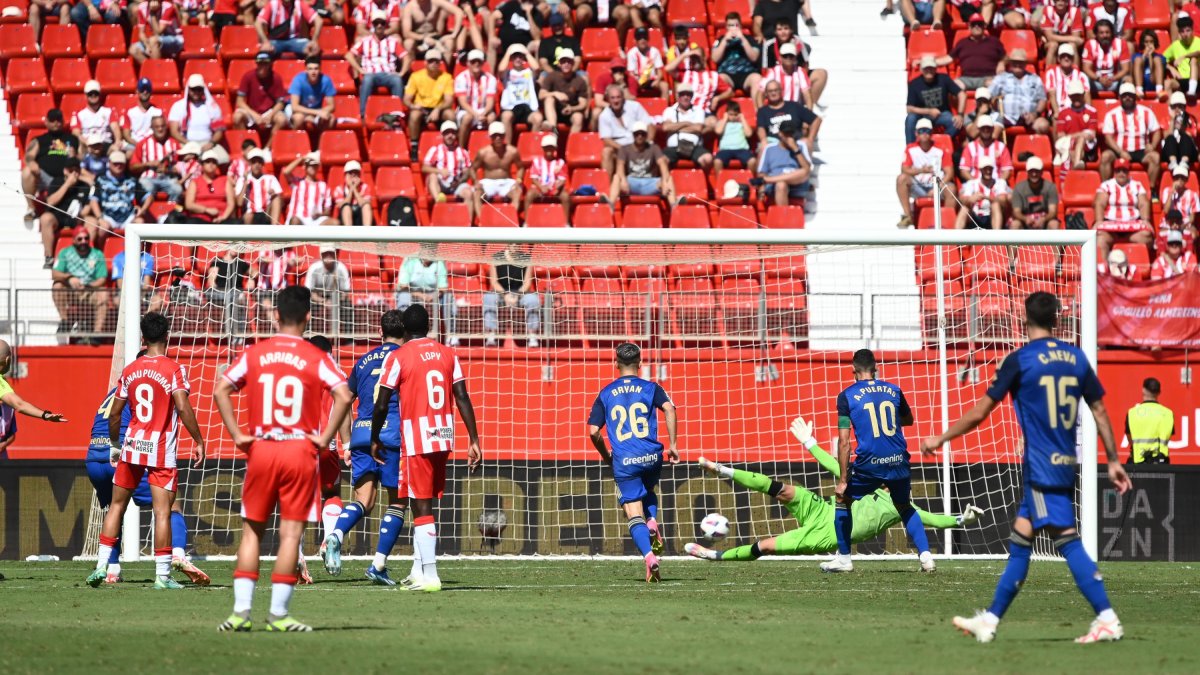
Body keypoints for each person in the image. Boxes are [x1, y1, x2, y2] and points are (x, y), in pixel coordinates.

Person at [922, 292, 1132, 644]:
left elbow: (980, 412)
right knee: (1021, 539)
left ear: (1024, 319)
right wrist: (1112, 459)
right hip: (1065, 462)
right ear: (1058, 321)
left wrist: (941, 438)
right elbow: (1098, 410)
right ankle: (989, 620)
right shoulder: (1076, 358)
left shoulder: (1020, 360)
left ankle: (1108, 617)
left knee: (1066, 540)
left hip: (1039, 466)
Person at [215, 285, 353, 631]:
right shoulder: (315, 357)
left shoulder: (256, 353)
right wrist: (324, 438)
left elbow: (221, 388)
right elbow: (344, 394)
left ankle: (240, 613)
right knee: (290, 535)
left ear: (275, 315)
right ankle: (278, 614)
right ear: (308, 317)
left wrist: (237, 435)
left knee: (251, 533)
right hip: (299, 451)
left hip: (262, 448)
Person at [686, 415, 982, 562]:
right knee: (781, 489)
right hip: (822, 508)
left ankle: (715, 556)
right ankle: (721, 468)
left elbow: (931, 519)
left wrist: (959, 520)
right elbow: (835, 466)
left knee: (765, 546)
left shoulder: (902, 506)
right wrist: (809, 442)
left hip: (826, 535)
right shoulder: (870, 481)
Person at [85, 313, 206, 590]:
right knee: (163, 512)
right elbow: (183, 407)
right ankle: (163, 576)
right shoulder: (173, 369)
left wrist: (116, 443)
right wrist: (198, 439)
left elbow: (114, 414)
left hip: (131, 448)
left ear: (143, 337)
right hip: (160, 451)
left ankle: (103, 566)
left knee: (116, 506)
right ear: (166, 336)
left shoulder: (129, 371)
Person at [371, 303, 482, 592]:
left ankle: (430, 576)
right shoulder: (448, 354)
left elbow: (382, 402)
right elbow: (462, 397)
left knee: (420, 505)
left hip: (417, 437)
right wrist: (474, 439)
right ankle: (420, 571)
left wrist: (374, 437)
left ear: (405, 329)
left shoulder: (400, 356)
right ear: (429, 327)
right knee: (427, 502)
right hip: (444, 435)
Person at [820, 349, 932, 573]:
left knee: (842, 499)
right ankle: (926, 557)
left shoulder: (847, 396)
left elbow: (844, 442)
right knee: (903, 505)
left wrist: (843, 479)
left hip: (871, 463)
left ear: (853, 371)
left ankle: (844, 559)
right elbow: (908, 420)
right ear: (876, 369)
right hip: (899, 460)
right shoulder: (894, 390)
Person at [323, 311, 407, 584]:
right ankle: (378, 565)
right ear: (403, 334)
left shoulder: (362, 361)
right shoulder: (404, 358)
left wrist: (346, 442)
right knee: (397, 502)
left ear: (380, 333)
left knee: (364, 500)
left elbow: (343, 401)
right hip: (391, 434)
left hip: (360, 433)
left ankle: (334, 535)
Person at [586, 342, 678, 582]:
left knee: (631, 510)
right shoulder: (652, 387)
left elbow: (593, 431)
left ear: (616, 363)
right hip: (652, 456)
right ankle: (653, 521)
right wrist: (674, 444)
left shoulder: (605, 393)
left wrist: (607, 456)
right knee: (647, 490)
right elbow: (669, 409)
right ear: (640, 362)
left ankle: (649, 557)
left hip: (625, 460)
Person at [51, 224, 110, 341]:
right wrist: (69, 277)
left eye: (86, 238)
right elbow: (55, 274)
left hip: (90, 290)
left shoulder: (97, 254)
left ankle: (97, 334)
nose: (83, 241)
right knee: (57, 285)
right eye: (80, 239)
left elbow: (102, 279)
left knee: (104, 293)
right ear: (73, 240)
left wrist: (88, 286)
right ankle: (65, 322)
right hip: (70, 291)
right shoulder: (65, 253)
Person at [23, 109, 81, 223]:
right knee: (27, 171)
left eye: (58, 120)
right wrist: (31, 163)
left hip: (66, 177)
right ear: (46, 122)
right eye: (52, 120)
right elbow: (28, 156)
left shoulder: (72, 139)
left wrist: (74, 155)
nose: (56, 123)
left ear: (63, 122)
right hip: (45, 178)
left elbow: (81, 158)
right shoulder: (39, 140)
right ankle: (31, 207)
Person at [348, 11, 410, 118]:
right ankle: (363, 113)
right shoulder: (365, 41)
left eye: (382, 23)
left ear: (385, 25)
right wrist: (360, 69)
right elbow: (349, 55)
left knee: (397, 80)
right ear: (373, 25)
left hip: (388, 73)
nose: (379, 25)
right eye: (376, 23)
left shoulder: (392, 41)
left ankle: (396, 114)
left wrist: (402, 73)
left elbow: (406, 57)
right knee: (367, 80)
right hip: (371, 73)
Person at [896, 118, 955, 228]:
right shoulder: (910, 149)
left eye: (927, 131)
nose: (924, 134)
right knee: (901, 179)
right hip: (919, 186)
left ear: (931, 133)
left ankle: (947, 223)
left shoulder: (941, 149)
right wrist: (921, 170)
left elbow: (949, 172)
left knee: (951, 189)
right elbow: (904, 169)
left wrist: (938, 188)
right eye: (921, 131)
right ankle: (908, 216)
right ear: (916, 133)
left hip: (937, 185)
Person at [84, 151, 147, 251]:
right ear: (109, 163)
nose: (118, 166)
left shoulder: (132, 180)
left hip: (128, 217)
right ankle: (101, 255)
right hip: (108, 216)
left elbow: (148, 196)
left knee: (140, 223)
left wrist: (143, 209)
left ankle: (136, 257)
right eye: (115, 163)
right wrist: (99, 217)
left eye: (121, 163)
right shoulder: (100, 179)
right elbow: (93, 200)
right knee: (102, 228)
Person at [38, 159, 93, 269]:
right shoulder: (56, 182)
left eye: (76, 170)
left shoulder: (84, 186)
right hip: (58, 216)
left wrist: (81, 214)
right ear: (65, 171)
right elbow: (51, 202)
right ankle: (49, 257)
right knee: (45, 219)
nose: (73, 173)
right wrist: (67, 184)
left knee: (93, 222)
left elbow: (88, 206)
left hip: (76, 217)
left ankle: (89, 256)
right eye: (70, 170)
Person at [484, 243, 541, 347]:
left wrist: (517, 295)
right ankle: (491, 334)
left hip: (520, 292)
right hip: (500, 292)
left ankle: (532, 335)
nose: (515, 246)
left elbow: (527, 283)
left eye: (518, 244)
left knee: (532, 299)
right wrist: (505, 294)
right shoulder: (496, 257)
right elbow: (494, 282)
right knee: (489, 297)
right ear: (507, 244)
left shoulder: (527, 258)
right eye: (512, 243)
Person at [394, 246, 456, 343]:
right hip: (412, 293)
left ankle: (451, 335)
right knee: (403, 296)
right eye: (427, 250)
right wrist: (420, 295)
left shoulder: (439, 262)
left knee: (448, 298)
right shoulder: (410, 260)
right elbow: (402, 285)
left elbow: (443, 287)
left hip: (433, 295)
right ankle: (403, 334)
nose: (429, 253)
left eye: (432, 250)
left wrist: (433, 296)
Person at [1095, 157, 1152, 260]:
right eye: (1118, 170)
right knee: (1100, 239)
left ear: (1128, 172)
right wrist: (1099, 221)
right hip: (1111, 226)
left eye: (1124, 170)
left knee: (1146, 235)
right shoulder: (1106, 185)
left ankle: (1136, 270)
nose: (1121, 173)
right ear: (1114, 171)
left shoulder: (1137, 185)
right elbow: (1099, 203)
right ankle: (1104, 271)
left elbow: (1144, 203)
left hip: (1132, 227)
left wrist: (1145, 220)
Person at [610, 120, 677, 206]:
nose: (640, 136)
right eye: (637, 134)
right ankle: (611, 204)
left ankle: (673, 206)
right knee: (616, 177)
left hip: (650, 182)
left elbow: (662, 164)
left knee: (668, 178)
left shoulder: (654, 148)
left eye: (642, 134)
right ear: (633, 135)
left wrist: (664, 181)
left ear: (646, 135)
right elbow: (620, 167)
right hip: (632, 182)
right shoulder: (624, 149)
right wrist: (623, 181)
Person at [403, 49, 455, 156]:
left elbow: (449, 100)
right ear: (425, 63)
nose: (434, 64)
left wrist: (438, 109)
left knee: (450, 114)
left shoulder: (446, 77)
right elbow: (406, 99)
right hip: (422, 107)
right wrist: (414, 106)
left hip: (439, 108)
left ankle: (452, 144)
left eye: (437, 61)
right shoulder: (416, 76)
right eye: (431, 61)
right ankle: (414, 146)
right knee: (414, 114)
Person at [234, 52, 290, 146]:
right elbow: (239, 101)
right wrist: (254, 115)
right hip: (252, 111)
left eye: (265, 63)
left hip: (270, 111)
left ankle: (268, 148)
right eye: (260, 63)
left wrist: (271, 115)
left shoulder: (276, 78)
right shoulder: (248, 76)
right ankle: (247, 146)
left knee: (282, 119)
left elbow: (280, 102)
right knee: (237, 117)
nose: (263, 66)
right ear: (256, 63)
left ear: (270, 64)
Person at [423, 120, 476, 221]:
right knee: (432, 176)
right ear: (442, 135)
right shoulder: (435, 150)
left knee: (468, 193)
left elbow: (467, 170)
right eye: (447, 133)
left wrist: (462, 178)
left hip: (456, 183)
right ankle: (439, 202)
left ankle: (467, 224)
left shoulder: (463, 152)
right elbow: (424, 168)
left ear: (456, 134)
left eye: (452, 132)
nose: (450, 136)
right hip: (441, 182)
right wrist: (440, 171)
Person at [990, 48, 1050, 135]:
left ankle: (1034, 147)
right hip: (1006, 117)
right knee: (991, 122)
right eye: (1014, 62)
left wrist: (1035, 114)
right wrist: (994, 102)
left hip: (1029, 118)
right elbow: (989, 96)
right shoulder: (1001, 78)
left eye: (1021, 62)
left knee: (1043, 125)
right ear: (1010, 63)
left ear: (1025, 64)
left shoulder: (1035, 79)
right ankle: (997, 148)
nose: (1017, 64)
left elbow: (1042, 99)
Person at [905, 55, 964, 143]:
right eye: (926, 68)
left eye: (931, 68)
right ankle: (911, 148)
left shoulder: (944, 78)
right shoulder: (914, 84)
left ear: (936, 68)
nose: (929, 70)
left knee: (956, 123)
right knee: (910, 119)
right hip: (922, 115)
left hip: (942, 114)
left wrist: (960, 114)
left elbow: (962, 94)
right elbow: (909, 108)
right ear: (921, 69)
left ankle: (940, 143)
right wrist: (929, 111)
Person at [598, 86, 654, 176]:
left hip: (640, 145)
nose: (616, 101)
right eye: (612, 98)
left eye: (618, 97)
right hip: (620, 149)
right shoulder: (604, 115)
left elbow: (649, 125)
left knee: (657, 152)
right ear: (608, 100)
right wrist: (625, 150)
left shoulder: (635, 107)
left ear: (623, 97)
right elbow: (606, 140)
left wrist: (649, 143)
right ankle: (607, 186)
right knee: (606, 151)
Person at [756, 120, 811, 208]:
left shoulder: (801, 146)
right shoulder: (769, 148)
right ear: (780, 133)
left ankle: (771, 179)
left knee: (804, 172)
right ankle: (784, 218)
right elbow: (761, 173)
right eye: (786, 133)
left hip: (796, 183)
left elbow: (806, 169)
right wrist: (762, 189)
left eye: (791, 133)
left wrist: (795, 148)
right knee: (781, 184)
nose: (789, 136)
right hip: (775, 186)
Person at [169, 75, 227, 157]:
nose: (196, 92)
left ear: (203, 90)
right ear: (188, 90)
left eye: (199, 89)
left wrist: (211, 143)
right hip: (186, 143)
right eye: (193, 89)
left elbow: (219, 130)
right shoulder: (178, 106)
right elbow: (174, 132)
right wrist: (188, 143)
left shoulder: (212, 106)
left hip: (207, 143)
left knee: (224, 158)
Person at [942, 16, 1005, 90]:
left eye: (979, 24)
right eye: (974, 24)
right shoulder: (962, 43)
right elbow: (949, 58)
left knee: (996, 85)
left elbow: (1005, 57)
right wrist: (932, 62)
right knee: (953, 86)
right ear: (969, 27)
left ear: (984, 26)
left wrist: (1002, 63)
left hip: (988, 78)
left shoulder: (994, 41)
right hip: (966, 79)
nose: (977, 27)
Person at [498, 45, 544, 145]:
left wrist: (527, 53)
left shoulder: (529, 72)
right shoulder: (507, 73)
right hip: (511, 108)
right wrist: (508, 53)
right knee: (506, 117)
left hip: (527, 107)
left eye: (520, 56)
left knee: (538, 118)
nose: (517, 59)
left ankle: (532, 146)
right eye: (515, 57)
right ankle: (508, 147)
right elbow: (500, 69)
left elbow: (536, 68)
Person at [660, 83, 712, 170]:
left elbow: (698, 128)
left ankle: (700, 181)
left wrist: (676, 127)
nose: (685, 97)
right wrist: (686, 123)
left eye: (688, 94)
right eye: (682, 94)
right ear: (678, 96)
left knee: (708, 159)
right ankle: (666, 181)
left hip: (694, 147)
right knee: (662, 160)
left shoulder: (698, 111)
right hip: (674, 146)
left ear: (691, 96)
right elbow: (666, 127)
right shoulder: (669, 110)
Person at [206, 248, 254, 339]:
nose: (235, 249)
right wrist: (216, 289)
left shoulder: (241, 263)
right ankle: (232, 334)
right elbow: (211, 279)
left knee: (238, 300)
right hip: (219, 292)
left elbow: (255, 272)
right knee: (231, 299)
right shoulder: (218, 261)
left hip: (236, 293)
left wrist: (251, 280)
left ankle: (238, 335)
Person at [473, 121, 523, 207]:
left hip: (506, 182)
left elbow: (521, 167)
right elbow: (473, 168)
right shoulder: (483, 152)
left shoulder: (512, 151)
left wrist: (518, 181)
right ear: (490, 136)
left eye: (500, 135)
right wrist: (476, 181)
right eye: (494, 136)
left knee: (517, 192)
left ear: (504, 135)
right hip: (488, 183)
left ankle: (512, 218)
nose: (497, 138)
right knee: (477, 194)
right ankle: (482, 219)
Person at [540, 49, 590, 133]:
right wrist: (555, 93)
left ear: (573, 63)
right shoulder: (551, 76)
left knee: (578, 118)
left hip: (571, 111)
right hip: (553, 111)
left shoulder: (580, 80)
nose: (566, 64)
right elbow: (541, 95)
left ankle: (571, 144)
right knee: (549, 99)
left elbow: (583, 103)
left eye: (569, 61)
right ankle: (554, 133)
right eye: (563, 61)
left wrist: (572, 108)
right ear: (559, 63)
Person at [454, 49, 499, 144]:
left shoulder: (490, 79)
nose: (476, 64)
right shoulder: (461, 78)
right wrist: (476, 115)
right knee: (467, 118)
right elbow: (462, 102)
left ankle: (492, 147)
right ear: (468, 63)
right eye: (473, 61)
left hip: (484, 110)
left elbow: (490, 101)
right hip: (467, 111)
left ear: (483, 63)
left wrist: (483, 114)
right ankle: (462, 149)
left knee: (491, 117)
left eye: (479, 61)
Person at [1125, 377, 1173, 464]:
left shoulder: (1132, 413)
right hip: (1161, 464)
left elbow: (1129, 437)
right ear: (1159, 392)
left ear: (1143, 390)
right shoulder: (1167, 413)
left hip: (1137, 463)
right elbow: (1167, 436)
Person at [712, 13, 762, 96]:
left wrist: (742, 39)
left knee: (757, 79)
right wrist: (725, 41)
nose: (733, 28)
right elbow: (715, 58)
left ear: (740, 26)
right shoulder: (720, 40)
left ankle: (757, 109)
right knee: (719, 79)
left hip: (747, 74)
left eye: (736, 25)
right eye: (730, 25)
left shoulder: (749, 39)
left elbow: (754, 57)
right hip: (727, 74)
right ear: (726, 27)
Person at [1054, 81, 1099, 171]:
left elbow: (1091, 134)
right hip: (1068, 145)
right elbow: (1061, 136)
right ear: (1070, 96)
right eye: (1073, 95)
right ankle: (1077, 165)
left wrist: (1076, 136)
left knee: (1081, 140)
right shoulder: (1063, 112)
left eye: (1078, 95)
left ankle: (1074, 169)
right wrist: (1080, 134)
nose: (1076, 98)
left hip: (1087, 147)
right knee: (1074, 150)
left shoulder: (1091, 111)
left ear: (1083, 95)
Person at [525, 134, 570, 224]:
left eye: (551, 147)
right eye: (546, 147)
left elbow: (562, 179)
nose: (549, 150)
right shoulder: (537, 161)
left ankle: (567, 223)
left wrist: (556, 188)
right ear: (543, 148)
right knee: (529, 195)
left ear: (555, 149)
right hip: (540, 188)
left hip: (556, 188)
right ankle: (526, 222)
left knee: (566, 197)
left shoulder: (560, 162)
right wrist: (541, 187)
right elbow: (534, 178)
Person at [256, 0, 323, 58]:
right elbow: (258, 23)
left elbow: (319, 21)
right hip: (275, 41)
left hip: (295, 41)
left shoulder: (299, 3)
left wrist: (314, 41)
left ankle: (308, 71)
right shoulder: (272, 4)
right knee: (264, 52)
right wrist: (265, 41)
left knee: (313, 49)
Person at [184, 150, 236, 223]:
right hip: (200, 218)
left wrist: (223, 217)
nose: (211, 164)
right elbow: (189, 204)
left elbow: (231, 203)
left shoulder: (225, 180)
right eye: (208, 162)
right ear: (202, 165)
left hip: (222, 218)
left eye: (214, 162)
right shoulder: (195, 182)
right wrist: (206, 210)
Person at [957, 156, 1009, 229]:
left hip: (991, 216)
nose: (988, 171)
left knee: (995, 205)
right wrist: (970, 199)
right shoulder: (972, 183)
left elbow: (1003, 200)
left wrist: (987, 197)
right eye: (985, 169)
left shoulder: (1000, 182)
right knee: (965, 208)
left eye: (990, 169)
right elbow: (963, 200)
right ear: (980, 170)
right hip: (975, 215)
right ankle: (956, 237)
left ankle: (997, 237)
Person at [757, 42, 813, 109]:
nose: (788, 58)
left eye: (791, 56)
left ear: (795, 58)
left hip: (795, 111)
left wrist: (809, 115)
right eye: (785, 56)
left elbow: (807, 95)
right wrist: (761, 113)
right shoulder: (773, 72)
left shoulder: (800, 72)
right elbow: (760, 93)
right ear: (780, 58)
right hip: (776, 111)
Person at [284, 152, 335, 226]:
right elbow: (286, 172)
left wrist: (320, 214)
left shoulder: (324, 186)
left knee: (334, 223)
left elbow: (327, 210)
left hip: (316, 220)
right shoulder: (297, 182)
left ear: (318, 167)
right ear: (305, 166)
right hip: (299, 218)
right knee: (295, 221)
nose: (312, 167)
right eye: (309, 165)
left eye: (314, 165)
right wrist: (302, 159)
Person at [1082, 19, 1130, 96]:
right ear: (1096, 34)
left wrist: (1113, 78)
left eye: (1107, 32)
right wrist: (1099, 79)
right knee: (1083, 79)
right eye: (1101, 33)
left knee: (1128, 79)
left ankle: (1124, 107)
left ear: (1112, 33)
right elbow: (1086, 68)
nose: (1105, 35)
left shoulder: (1121, 43)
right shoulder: (1090, 44)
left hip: (1115, 81)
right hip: (1096, 81)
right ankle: (1088, 106)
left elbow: (1126, 68)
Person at [289, 56, 337, 132]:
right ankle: (298, 142)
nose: (313, 72)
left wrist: (320, 113)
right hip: (301, 111)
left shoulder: (326, 80)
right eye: (310, 69)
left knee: (331, 119)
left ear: (320, 69)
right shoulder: (298, 80)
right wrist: (316, 112)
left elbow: (332, 106)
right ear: (306, 70)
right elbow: (295, 107)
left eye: (316, 69)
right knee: (298, 118)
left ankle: (323, 142)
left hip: (317, 111)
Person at [1010, 156, 1060, 229]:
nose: (1034, 174)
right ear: (1027, 172)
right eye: (1031, 171)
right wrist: (1025, 219)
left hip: (1044, 219)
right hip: (1025, 220)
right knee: (1015, 224)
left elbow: (1052, 211)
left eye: (1037, 171)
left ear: (1042, 171)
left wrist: (1043, 219)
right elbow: (1016, 212)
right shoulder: (1018, 188)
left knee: (1054, 224)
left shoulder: (1050, 187)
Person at [958, 116, 1013, 182]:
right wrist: (977, 184)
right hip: (974, 184)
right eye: (983, 128)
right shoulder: (970, 147)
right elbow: (964, 171)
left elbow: (1007, 171)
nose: (986, 130)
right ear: (978, 129)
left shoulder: (1001, 147)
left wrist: (998, 184)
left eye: (988, 128)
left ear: (993, 129)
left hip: (997, 184)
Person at [72, 80, 122, 150]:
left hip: (105, 144)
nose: (93, 95)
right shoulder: (79, 114)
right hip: (87, 145)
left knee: (117, 154)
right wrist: (86, 142)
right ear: (85, 95)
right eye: (90, 93)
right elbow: (76, 133)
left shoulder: (109, 111)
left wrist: (117, 141)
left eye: (96, 93)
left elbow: (115, 128)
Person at [1043, 44, 1090, 117]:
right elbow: (1052, 94)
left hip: (1076, 110)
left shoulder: (1081, 76)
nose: (1066, 58)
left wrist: (1087, 113)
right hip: (1058, 110)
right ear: (1058, 59)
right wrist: (1057, 112)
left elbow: (1087, 95)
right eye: (1063, 56)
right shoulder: (1051, 73)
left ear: (1073, 58)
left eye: (1069, 56)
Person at [240, 149, 284, 224]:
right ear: (250, 164)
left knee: (276, 198)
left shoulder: (271, 178)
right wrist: (245, 183)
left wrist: (274, 194)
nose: (257, 165)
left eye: (259, 162)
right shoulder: (244, 179)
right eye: (254, 162)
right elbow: (239, 203)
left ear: (263, 164)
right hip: (251, 213)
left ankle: (275, 231)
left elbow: (281, 202)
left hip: (267, 211)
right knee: (248, 216)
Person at [713, 99, 755, 174]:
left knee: (752, 161)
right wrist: (725, 119)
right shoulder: (722, 123)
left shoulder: (742, 124)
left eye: (735, 114)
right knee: (717, 161)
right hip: (725, 150)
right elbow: (718, 131)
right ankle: (720, 182)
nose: (733, 117)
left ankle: (750, 182)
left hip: (741, 149)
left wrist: (742, 119)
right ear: (726, 113)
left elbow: (749, 134)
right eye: (730, 114)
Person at [120, 78, 165, 147]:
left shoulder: (158, 112)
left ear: (151, 92)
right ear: (137, 91)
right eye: (142, 89)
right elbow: (126, 135)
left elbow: (162, 132)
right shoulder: (130, 111)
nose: (145, 92)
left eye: (148, 89)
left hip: (153, 144)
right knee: (128, 154)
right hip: (134, 144)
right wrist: (139, 146)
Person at [1038, 0, 1085, 66]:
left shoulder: (1075, 11)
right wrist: (1072, 38)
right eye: (1057, 0)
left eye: (1063, 0)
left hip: (1068, 42)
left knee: (1072, 45)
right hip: (1049, 43)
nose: (1060, 2)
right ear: (1054, 2)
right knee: (1053, 45)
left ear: (1067, 2)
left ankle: (1075, 72)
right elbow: (1050, 37)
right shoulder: (1048, 10)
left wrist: (1073, 39)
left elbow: (1076, 36)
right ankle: (1049, 73)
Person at [627, 26, 669, 99]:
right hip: (637, 80)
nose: (642, 40)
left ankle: (663, 109)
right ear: (635, 40)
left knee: (664, 86)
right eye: (639, 38)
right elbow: (631, 74)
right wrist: (637, 82)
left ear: (648, 39)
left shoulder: (654, 51)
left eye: (645, 37)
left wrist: (657, 80)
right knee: (628, 88)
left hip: (652, 80)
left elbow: (659, 72)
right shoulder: (631, 53)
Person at [1164, 16, 1200, 98]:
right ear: (1179, 33)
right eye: (1182, 32)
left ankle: (1192, 90)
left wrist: (1185, 56)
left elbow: (1198, 53)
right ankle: (1170, 108)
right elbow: (1161, 59)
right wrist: (1170, 68)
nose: (1185, 34)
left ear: (1192, 30)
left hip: (1198, 78)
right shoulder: (1175, 45)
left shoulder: (1198, 42)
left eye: (1188, 31)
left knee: (1193, 60)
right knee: (1167, 83)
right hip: (1183, 79)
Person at [333, 160, 374, 226]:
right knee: (346, 207)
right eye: (350, 173)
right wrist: (351, 190)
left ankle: (367, 233)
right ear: (345, 175)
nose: (353, 176)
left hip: (360, 216)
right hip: (344, 219)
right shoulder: (339, 189)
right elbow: (341, 205)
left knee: (366, 206)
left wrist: (355, 189)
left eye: (355, 173)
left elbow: (363, 203)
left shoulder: (365, 187)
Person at [1132, 28, 1166, 97]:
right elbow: (1132, 73)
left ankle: (1159, 90)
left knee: (1157, 59)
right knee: (1138, 59)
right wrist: (1144, 57)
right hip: (1141, 82)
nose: (1149, 45)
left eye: (1151, 42)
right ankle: (1139, 90)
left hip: (1154, 83)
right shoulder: (1136, 56)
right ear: (1142, 43)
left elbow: (1152, 78)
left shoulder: (1160, 57)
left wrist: (1150, 57)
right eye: (1146, 42)